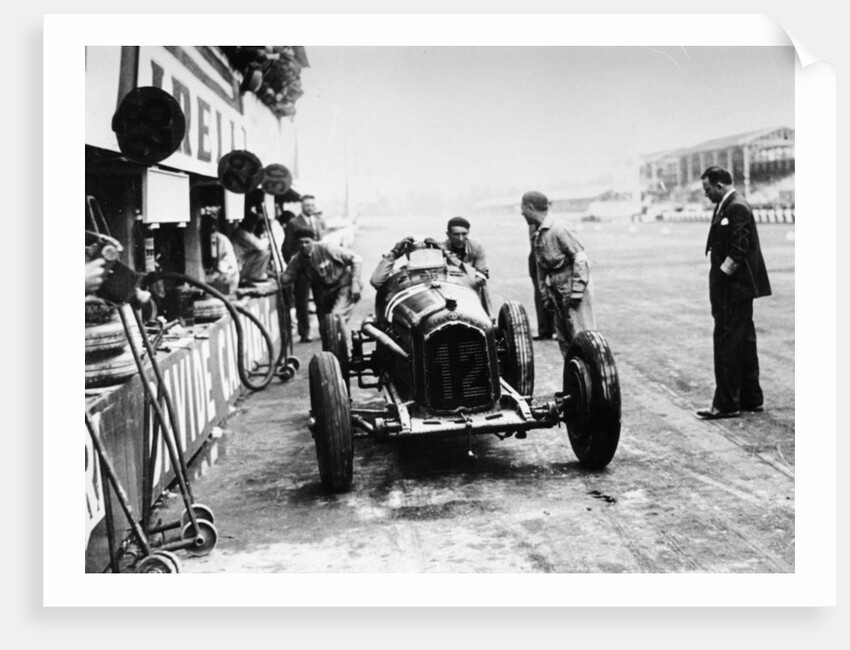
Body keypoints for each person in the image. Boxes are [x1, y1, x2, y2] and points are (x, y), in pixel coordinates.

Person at [696, 166, 771, 420]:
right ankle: (751, 398)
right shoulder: (730, 204)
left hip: (733, 289)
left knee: (727, 343)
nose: (706, 195)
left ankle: (726, 403)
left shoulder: (736, 206)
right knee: (744, 342)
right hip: (739, 289)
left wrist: (722, 276)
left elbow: (739, 248)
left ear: (719, 186)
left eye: (707, 189)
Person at [522, 190, 596, 358]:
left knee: (582, 338)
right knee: (565, 342)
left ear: (530, 208)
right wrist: (546, 296)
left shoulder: (560, 228)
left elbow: (580, 258)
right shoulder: (539, 235)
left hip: (573, 288)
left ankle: (591, 381)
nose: (521, 213)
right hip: (557, 291)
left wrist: (577, 291)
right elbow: (541, 269)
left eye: (523, 208)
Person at [281, 227, 363, 329]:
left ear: (313, 241)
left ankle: (345, 342)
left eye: (307, 242)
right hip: (326, 291)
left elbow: (356, 259)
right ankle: (335, 343)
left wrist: (355, 283)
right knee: (325, 327)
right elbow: (286, 277)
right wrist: (282, 278)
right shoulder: (298, 259)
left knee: (336, 319)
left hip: (345, 285)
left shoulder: (327, 248)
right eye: (300, 243)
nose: (303, 245)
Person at [283, 194, 326, 341]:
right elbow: (286, 248)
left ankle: (324, 330)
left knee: (322, 299)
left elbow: (323, 243)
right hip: (301, 268)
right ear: (301, 206)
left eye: (312, 205)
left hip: (318, 266)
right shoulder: (293, 223)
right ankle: (304, 333)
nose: (310, 208)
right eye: (307, 205)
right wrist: (294, 266)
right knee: (302, 301)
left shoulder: (319, 221)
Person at [442, 216, 492, 314]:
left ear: (468, 233)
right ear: (448, 234)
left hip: (471, 288)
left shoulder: (476, 246)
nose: (460, 238)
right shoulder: (441, 247)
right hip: (449, 290)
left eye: (464, 234)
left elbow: (481, 276)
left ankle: (489, 317)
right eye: (456, 234)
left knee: (483, 287)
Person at [230, 211, 271, 285]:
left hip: (241, 264)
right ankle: (254, 276)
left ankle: (256, 275)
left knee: (264, 251)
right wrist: (269, 237)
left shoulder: (246, 232)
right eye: (252, 222)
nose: (254, 225)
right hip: (237, 268)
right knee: (265, 252)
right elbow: (260, 246)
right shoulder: (241, 233)